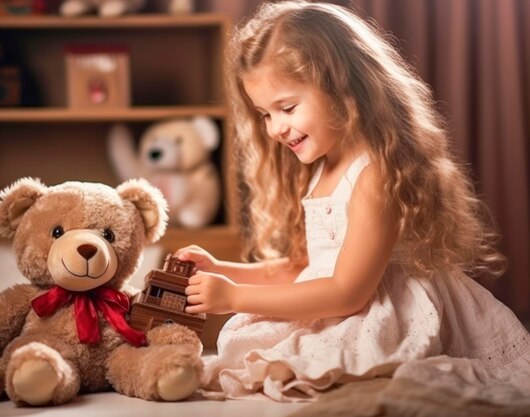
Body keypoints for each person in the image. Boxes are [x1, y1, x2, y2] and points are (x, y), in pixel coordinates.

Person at [175, 0, 530, 404]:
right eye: (264, 115)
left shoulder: (374, 173)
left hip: (382, 308)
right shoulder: (321, 168)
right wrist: (226, 270)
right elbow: (309, 269)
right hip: (346, 300)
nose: (275, 128)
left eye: (287, 108)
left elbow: (347, 292)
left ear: (342, 89)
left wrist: (233, 297)